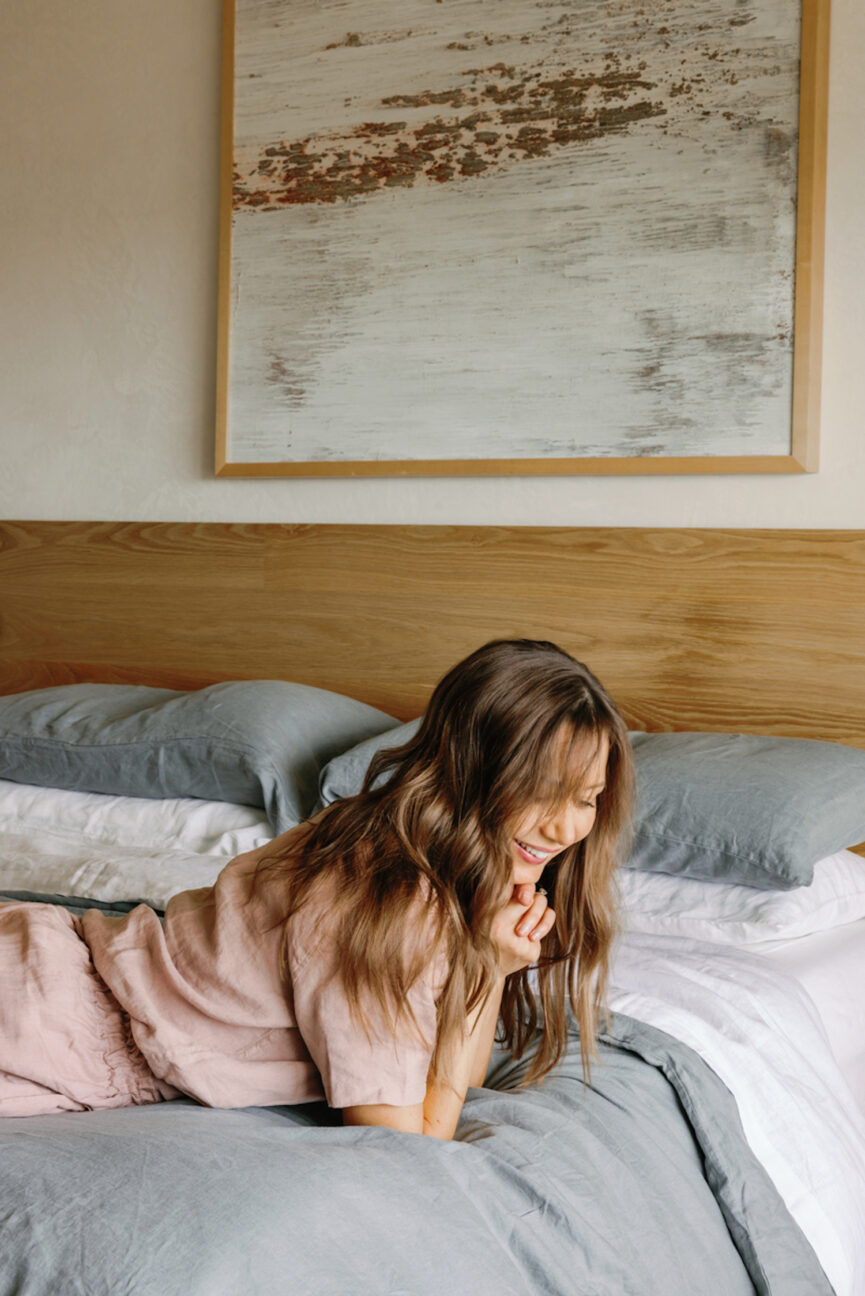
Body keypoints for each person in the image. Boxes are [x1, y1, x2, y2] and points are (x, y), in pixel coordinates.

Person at [0, 639, 633, 1137]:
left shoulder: (402, 843)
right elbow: (403, 1143)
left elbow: (454, 1070)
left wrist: (491, 968)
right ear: (472, 770)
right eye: (541, 791)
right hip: (45, 1023)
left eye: (585, 800)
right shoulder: (395, 897)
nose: (563, 827)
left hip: (50, 971)